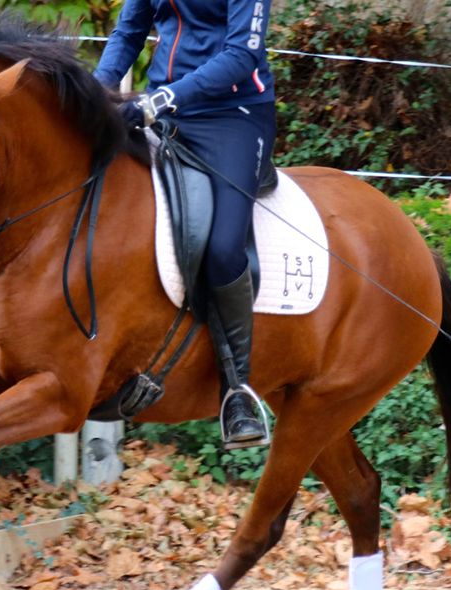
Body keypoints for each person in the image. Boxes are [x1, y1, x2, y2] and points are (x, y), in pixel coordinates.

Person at [94, 0, 276, 448]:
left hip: (234, 116)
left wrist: (162, 98)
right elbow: (128, 33)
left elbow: (241, 55)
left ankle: (237, 391)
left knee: (222, 249)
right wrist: (95, 94)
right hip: (163, 110)